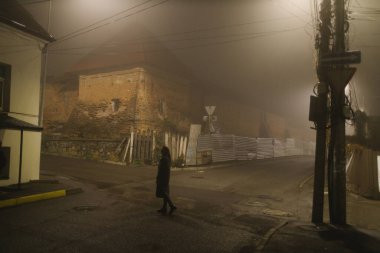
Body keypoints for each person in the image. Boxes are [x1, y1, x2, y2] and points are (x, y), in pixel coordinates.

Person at [156, 146, 176, 215]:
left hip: (163, 178)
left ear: (165, 151)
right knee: (165, 193)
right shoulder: (167, 159)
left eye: (162, 150)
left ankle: (172, 206)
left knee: (164, 193)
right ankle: (164, 208)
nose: (161, 151)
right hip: (165, 178)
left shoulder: (164, 159)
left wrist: (159, 178)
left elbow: (162, 170)